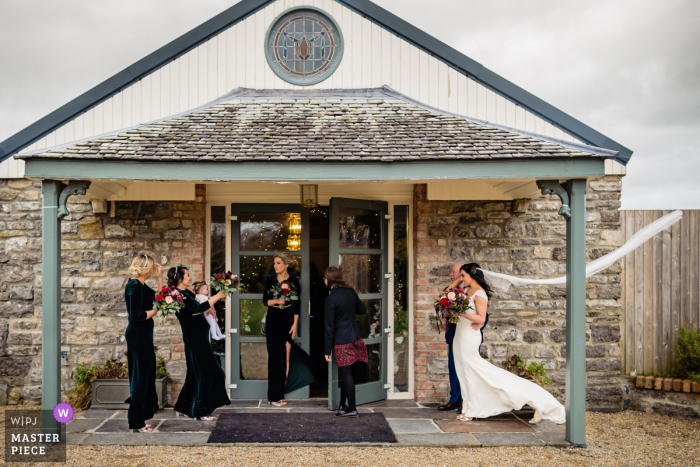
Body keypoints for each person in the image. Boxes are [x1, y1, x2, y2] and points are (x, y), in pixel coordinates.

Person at [448, 263, 565, 423]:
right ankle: (468, 408)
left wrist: (461, 313)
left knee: (471, 372)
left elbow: (481, 318)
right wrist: (458, 283)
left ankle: (473, 409)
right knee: (463, 372)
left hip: (469, 337)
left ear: (472, 275)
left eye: (463, 276)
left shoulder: (480, 294)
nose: (460, 279)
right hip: (459, 336)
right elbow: (447, 294)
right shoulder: (467, 291)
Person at [170, 266, 231, 420]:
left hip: (197, 338)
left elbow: (198, 307)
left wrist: (209, 307)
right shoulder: (180, 295)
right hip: (196, 339)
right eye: (188, 275)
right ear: (180, 279)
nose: (190, 278)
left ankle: (183, 407)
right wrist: (217, 296)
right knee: (208, 373)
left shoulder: (185, 293)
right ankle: (201, 410)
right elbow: (197, 307)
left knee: (194, 373)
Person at [263, 252, 315, 406]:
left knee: (285, 359)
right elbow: (265, 301)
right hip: (273, 322)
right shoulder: (270, 280)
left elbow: (297, 304)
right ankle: (274, 397)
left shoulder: (293, 281)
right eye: (274, 263)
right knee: (275, 359)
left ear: (286, 265)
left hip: (287, 322)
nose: (275, 266)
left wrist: (294, 324)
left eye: (278, 263)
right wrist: (277, 300)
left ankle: (280, 393)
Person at [438, 262, 489, 412]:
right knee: (455, 368)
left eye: (459, 274)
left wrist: (479, 323)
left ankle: (469, 401)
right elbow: (445, 294)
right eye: (456, 274)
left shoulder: (478, 292)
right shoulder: (463, 289)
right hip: (456, 333)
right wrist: (460, 280)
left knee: (468, 369)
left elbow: (482, 314)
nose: (453, 276)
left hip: (468, 334)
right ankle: (456, 400)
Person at [124, 254, 162, 433]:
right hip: (138, 337)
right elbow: (136, 316)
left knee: (147, 376)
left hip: (145, 336)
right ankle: (137, 422)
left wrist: (161, 277)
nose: (154, 270)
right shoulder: (134, 286)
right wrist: (155, 311)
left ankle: (144, 414)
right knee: (140, 379)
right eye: (153, 268)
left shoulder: (142, 285)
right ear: (147, 268)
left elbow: (159, 298)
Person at [323, 266, 367, 418]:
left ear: (328, 280)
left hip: (342, 340)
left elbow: (329, 328)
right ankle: (343, 404)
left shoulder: (331, 299)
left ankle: (352, 408)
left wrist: (326, 351)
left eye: (324, 278)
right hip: (355, 337)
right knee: (346, 372)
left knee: (346, 374)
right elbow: (362, 310)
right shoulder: (350, 292)